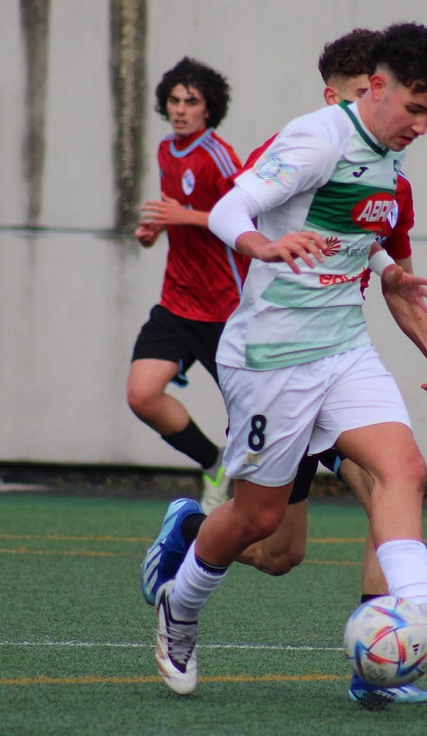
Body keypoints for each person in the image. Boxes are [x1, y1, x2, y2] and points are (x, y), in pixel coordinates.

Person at [149, 22, 427, 699]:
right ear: (376, 86)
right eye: (415, 108)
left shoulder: (389, 161)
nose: (422, 126)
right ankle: (182, 605)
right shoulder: (318, 138)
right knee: (260, 523)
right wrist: (260, 245)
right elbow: (232, 207)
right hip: (272, 356)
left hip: (343, 348)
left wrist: (390, 275)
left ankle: (426, 617)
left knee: (403, 470)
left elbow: (356, 232)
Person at [127, 57, 248, 515]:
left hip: (226, 309)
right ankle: (214, 464)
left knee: (250, 416)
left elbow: (246, 216)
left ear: (208, 108)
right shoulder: (166, 150)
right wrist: (156, 229)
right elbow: (176, 213)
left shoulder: (218, 155)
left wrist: (185, 216)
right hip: (177, 302)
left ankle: (257, 507)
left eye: (191, 102)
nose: (180, 110)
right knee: (142, 395)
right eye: (174, 101)